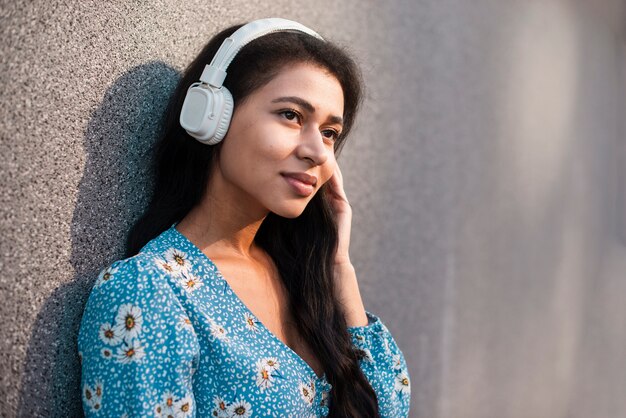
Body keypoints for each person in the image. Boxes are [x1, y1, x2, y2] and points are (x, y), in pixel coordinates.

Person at [78, 18, 411, 418]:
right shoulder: (147, 291)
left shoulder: (302, 278)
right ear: (212, 116)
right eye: (291, 115)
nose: (319, 152)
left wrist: (339, 267)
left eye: (329, 132)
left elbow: (386, 410)